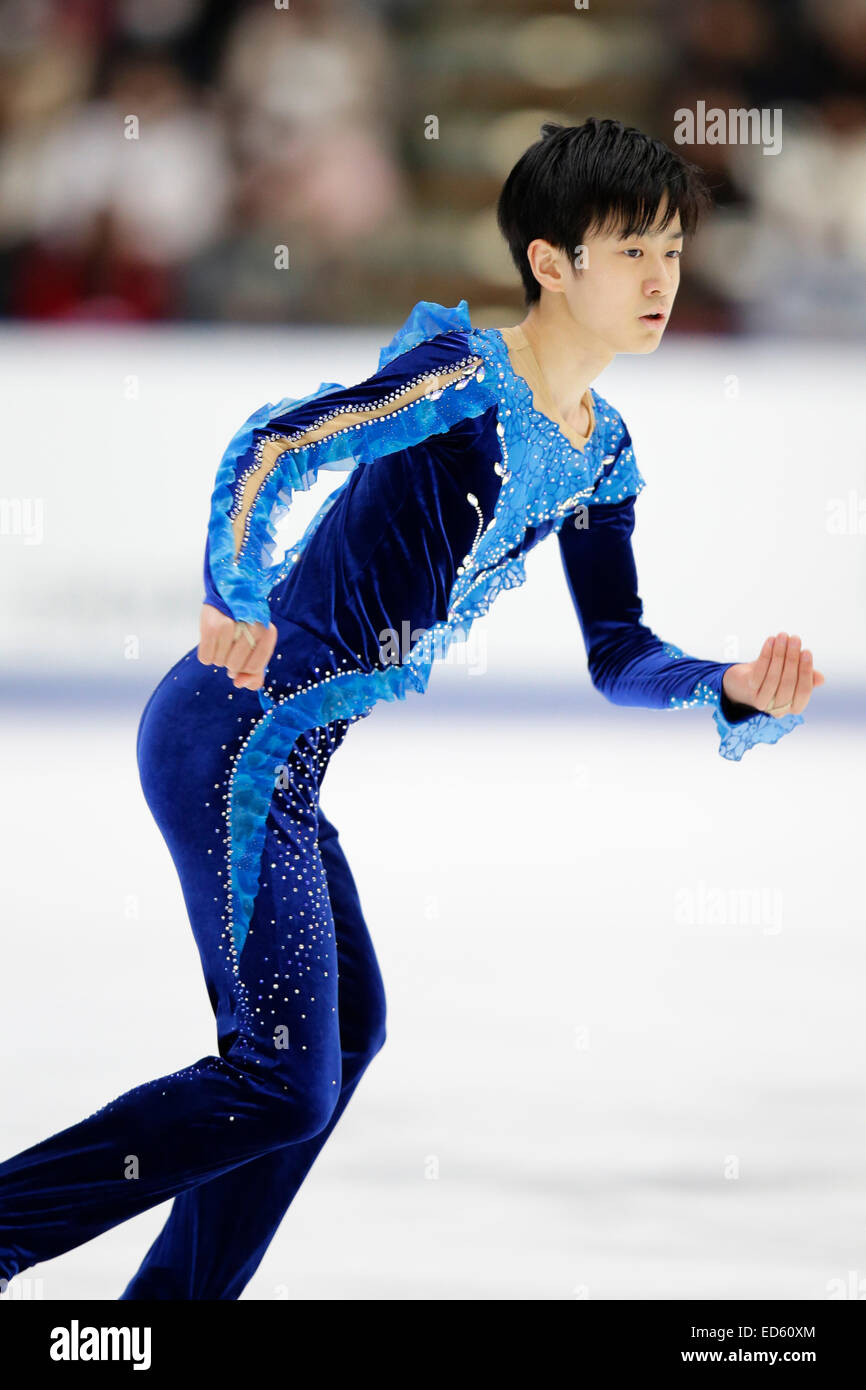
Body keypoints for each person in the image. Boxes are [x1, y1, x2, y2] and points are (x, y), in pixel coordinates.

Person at [0, 117, 823, 1299]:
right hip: (231, 731)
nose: (660, 277)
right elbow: (275, 447)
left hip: (285, 760)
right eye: (630, 250)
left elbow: (616, 648)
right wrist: (234, 587)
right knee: (281, 1076)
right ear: (550, 263)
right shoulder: (459, 381)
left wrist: (722, 687)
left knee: (336, 1038)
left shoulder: (601, 452)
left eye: (673, 251)